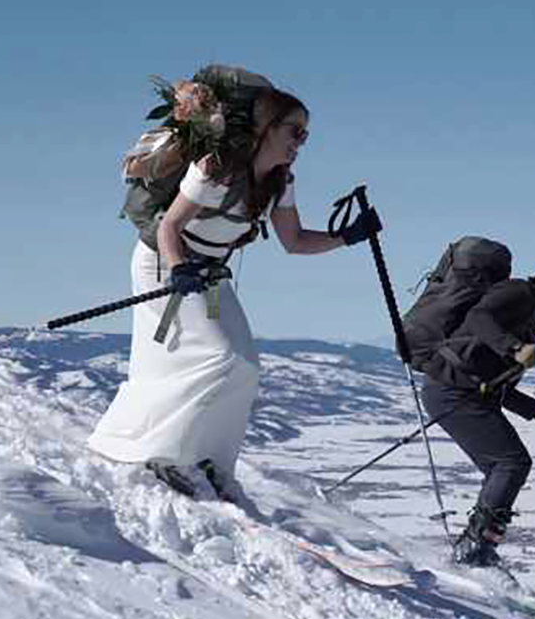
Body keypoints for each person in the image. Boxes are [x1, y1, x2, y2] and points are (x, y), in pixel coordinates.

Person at [88, 65, 378, 501]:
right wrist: (179, 266)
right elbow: (169, 228)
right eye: (295, 131)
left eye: (305, 135)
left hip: (208, 272)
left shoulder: (279, 183)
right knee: (217, 357)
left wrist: (347, 237)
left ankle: (214, 462)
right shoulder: (215, 169)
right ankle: (165, 455)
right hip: (164, 265)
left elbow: (295, 242)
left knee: (245, 366)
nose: (301, 142)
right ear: (266, 127)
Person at [420, 256, 535, 566]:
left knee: (506, 466)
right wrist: (516, 348)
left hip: (463, 392)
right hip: (450, 390)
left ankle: (476, 549)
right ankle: (473, 552)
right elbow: (478, 317)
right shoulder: (520, 293)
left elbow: (494, 381)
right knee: (510, 463)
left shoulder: (533, 315)